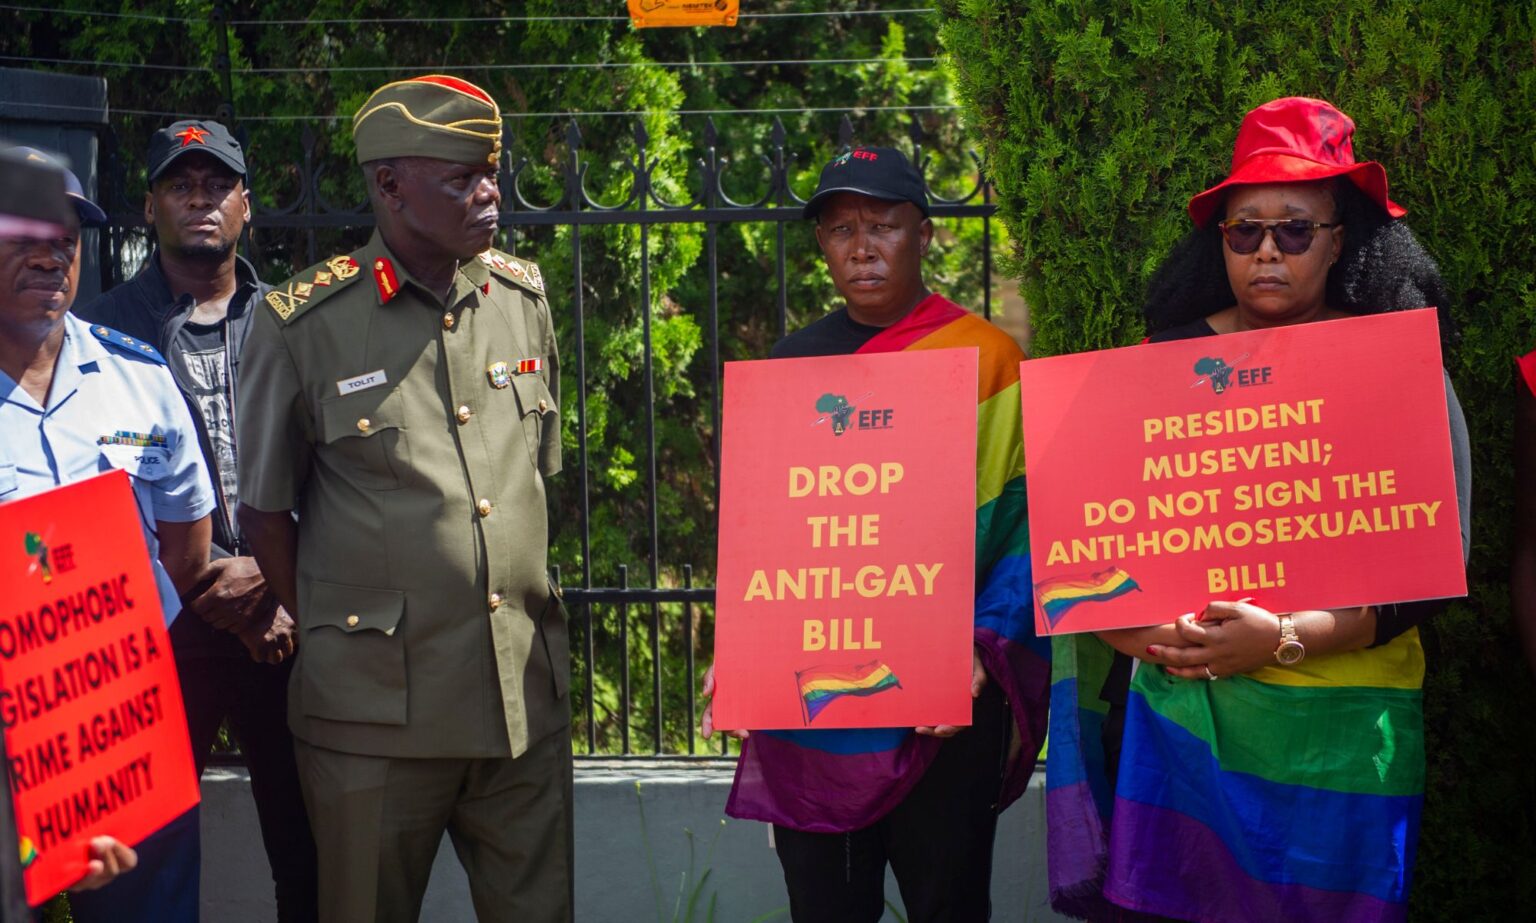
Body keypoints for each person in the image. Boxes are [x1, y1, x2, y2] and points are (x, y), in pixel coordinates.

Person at [1046, 96, 1472, 923]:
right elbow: (1084, 548)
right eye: (1245, 231)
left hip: (1341, 747)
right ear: (1221, 242)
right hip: (1182, 741)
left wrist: (1279, 638)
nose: (1267, 250)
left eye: (1295, 229)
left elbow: (1435, 566)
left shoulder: (1399, 367)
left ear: (1340, 238)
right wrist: (1145, 636)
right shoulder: (1152, 368)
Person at [235, 75, 569, 923]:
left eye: (490, 171)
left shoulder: (520, 300)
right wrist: (335, 633)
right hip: (373, 722)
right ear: (389, 186)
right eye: (460, 177)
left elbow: (534, 477)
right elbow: (266, 512)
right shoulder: (302, 324)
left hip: (517, 702)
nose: (488, 192)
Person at [702, 146, 1050, 922]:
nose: (861, 247)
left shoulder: (988, 359)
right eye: (840, 229)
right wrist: (742, 652)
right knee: (825, 906)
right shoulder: (788, 367)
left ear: (924, 236)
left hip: (949, 693)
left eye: (884, 226)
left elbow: (1024, 531)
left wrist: (982, 649)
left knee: (948, 904)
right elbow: (773, 536)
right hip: (819, 703)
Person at [75, 120, 319, 921]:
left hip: (291, 624)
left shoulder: (297, 320)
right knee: (142, 860)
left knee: (311, 851)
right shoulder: (102, 331)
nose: (200, 198)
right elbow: (93, 482)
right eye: (181, 184)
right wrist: (226, 582)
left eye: (217, 184)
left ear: (246, 205)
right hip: (161, 634)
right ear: (150, 207)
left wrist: (280, 588)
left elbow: (336, 467)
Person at [0, 148, 212, 920]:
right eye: (23, 229)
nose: (51, 250)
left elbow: (187, 552)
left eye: (66, 232)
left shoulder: (141, 378)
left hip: (128, 729)